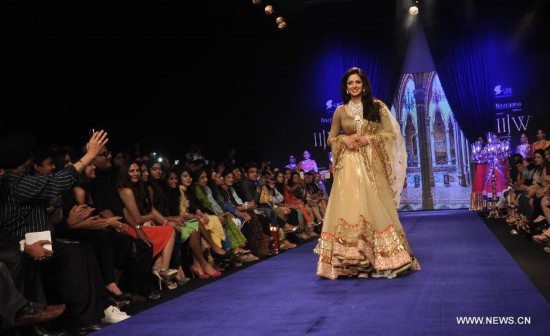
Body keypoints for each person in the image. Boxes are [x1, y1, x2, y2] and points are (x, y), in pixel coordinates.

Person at [314, 67, 420, 279]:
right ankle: (351, 262)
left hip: (372, 165)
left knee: (377, 205)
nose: (354, 86)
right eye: (350, 83)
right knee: (351, 207)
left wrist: (370, 139)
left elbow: (391, 133)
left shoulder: (376, 106)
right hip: (348, 168)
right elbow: (331, 139)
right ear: (345, 87)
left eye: (357, 83)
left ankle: (383, 257)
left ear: (364, 86)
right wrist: (345, 139)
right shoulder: (340, 111)